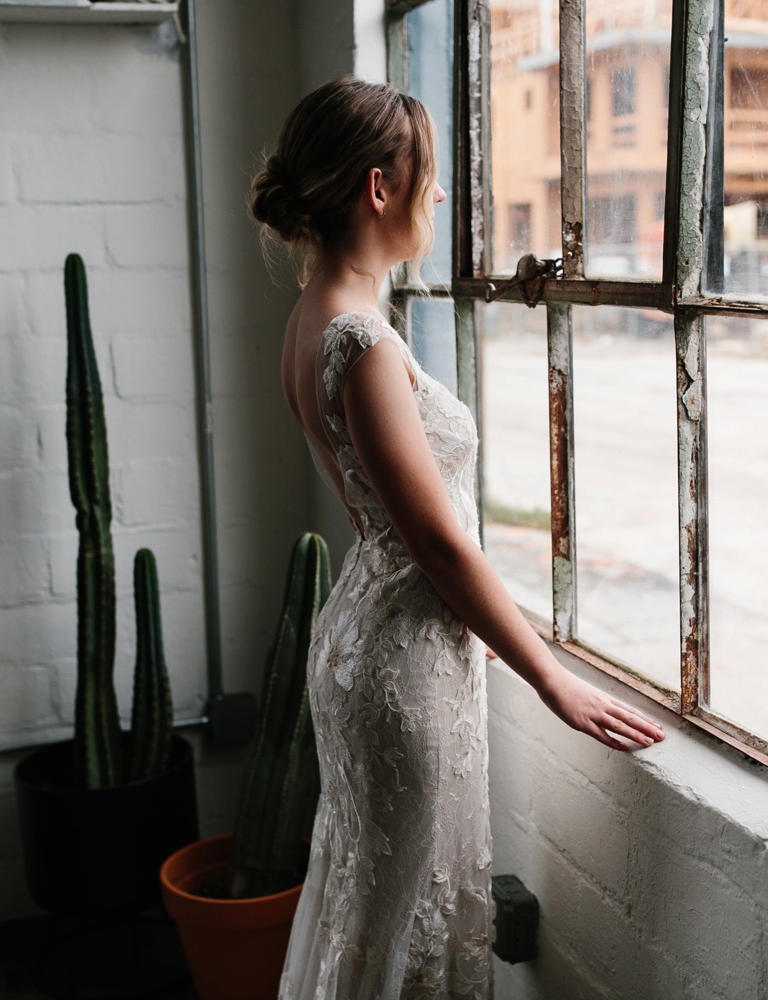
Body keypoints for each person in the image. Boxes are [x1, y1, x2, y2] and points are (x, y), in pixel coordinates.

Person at [249, 76, 667, 1000]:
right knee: (404, 909)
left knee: (377, 902)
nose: (438, 195)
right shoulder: (360, 344)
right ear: (378, 187)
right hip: (401, 661)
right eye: (428, 175)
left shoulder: (308, 318)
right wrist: (554, 679)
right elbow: (437, 546)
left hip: (366, 638)